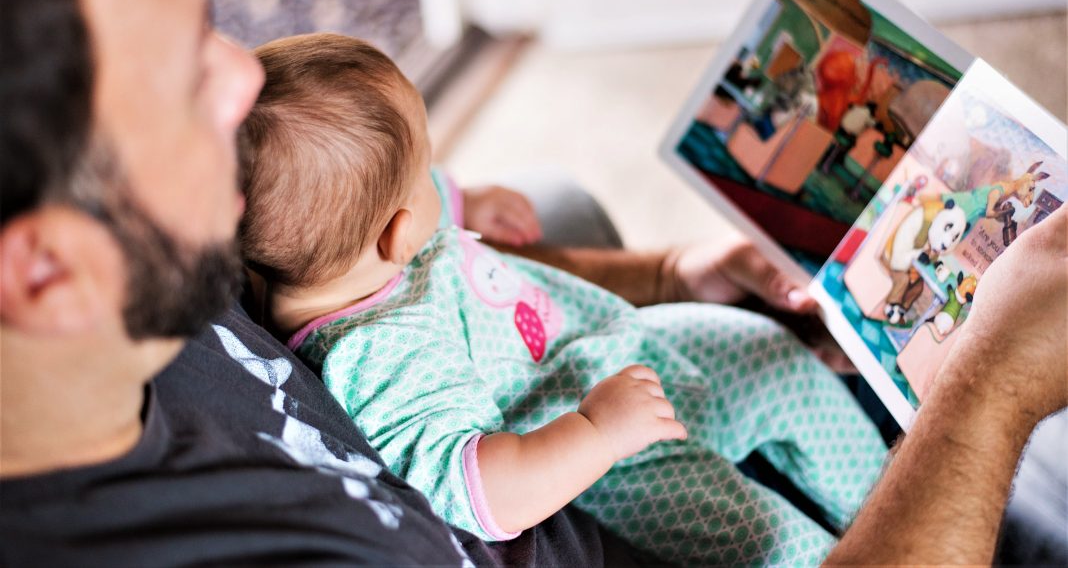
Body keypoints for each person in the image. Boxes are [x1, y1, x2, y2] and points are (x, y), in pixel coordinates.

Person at [0, 0, 1064, 566]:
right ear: (45, 271)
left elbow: (411, 263)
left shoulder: (179, 247)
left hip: (596, 365)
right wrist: (993, 386)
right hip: (649, 486)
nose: (244, 73)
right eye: (185, 74)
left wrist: (657, 269)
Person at [238, 32, 888, 565]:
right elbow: (481, 492)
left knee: (770, 351)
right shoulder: (379, 357)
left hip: (613, 344)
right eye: (426, 171)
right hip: (615, 458)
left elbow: (399, 196)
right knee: (772, 546)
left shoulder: (350, 251)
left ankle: (887, 500)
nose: (437, 178)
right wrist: (597, 432)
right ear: (399, 234)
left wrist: (465, 198)